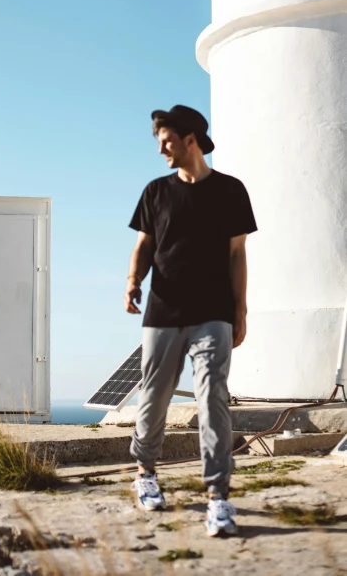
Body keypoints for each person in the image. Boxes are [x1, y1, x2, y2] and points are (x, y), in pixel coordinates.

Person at [124, 104, 257, 537]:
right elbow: (144, 245)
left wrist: (239, 310)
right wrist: (131, 282)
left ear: (190, 140)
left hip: (213, 313)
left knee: (212, 397)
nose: (161, 148)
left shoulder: (231, 191)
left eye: (167, 140)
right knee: (155, 397)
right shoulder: (155, 191)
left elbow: (237, 255)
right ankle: (145, 471)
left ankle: (218, 496)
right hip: (162, 312)